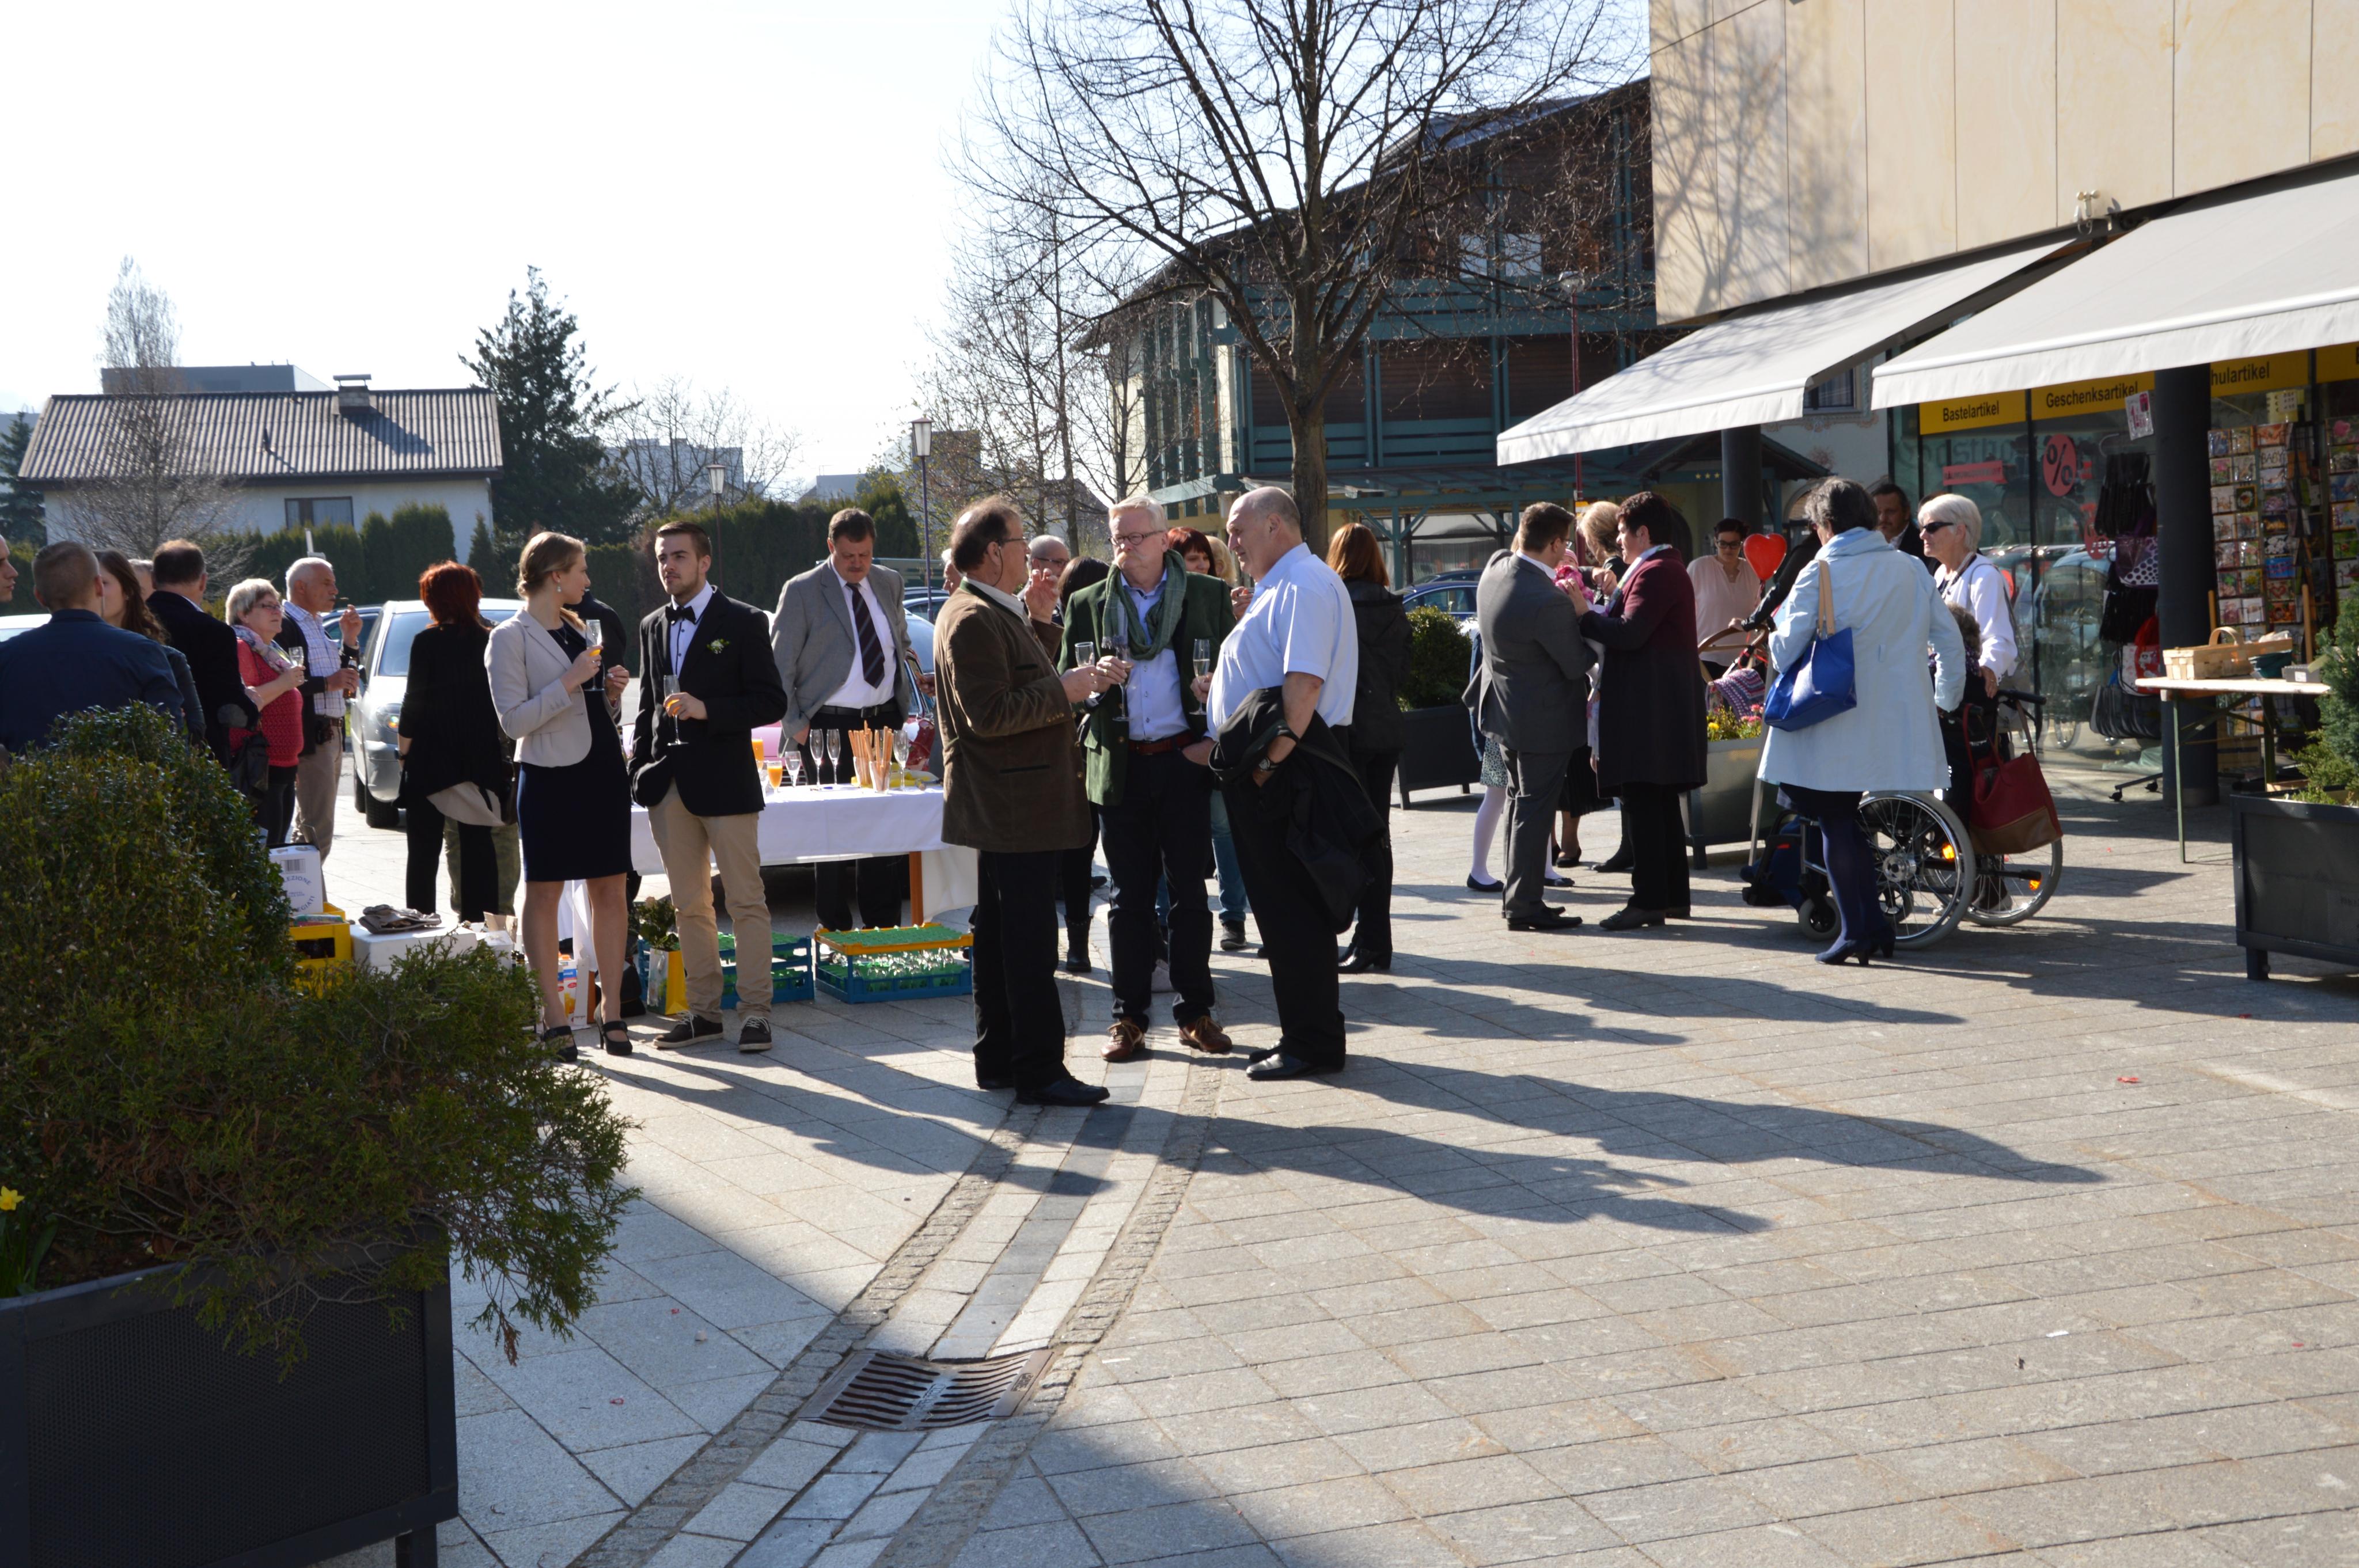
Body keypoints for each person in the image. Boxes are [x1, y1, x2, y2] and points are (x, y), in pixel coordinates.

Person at [935, 496, 1115, 1107]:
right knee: (1028, 943)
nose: (1031, 556)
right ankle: (1038, 1069)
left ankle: (1002, 1059)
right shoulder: (971, 616)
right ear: (994, 553)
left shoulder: (989, 609)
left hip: (1012, 803)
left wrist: (1039, 624)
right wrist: (1066, 689)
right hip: (1014, 806)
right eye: (1020, 544)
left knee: (1001, 935)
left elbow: (1013, 676)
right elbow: (990, 713)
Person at [1758, 479, 1966, 963]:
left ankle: (1857, 932)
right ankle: (1872, 927)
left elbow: (1785, 650)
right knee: (1848, 821)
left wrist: (1774, 629)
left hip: (1834, 718)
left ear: (1827, 525)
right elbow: (1950, 641)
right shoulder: (1911, 567)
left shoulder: (1820, 571)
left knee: (1835, 821)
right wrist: (1945, 700)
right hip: (1898, 719)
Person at [1062, 496, 1237, 1062]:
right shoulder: (1089, 602)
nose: (1126, 547)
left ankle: (1195, 1012)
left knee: (1190, 894)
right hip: (1123, 764)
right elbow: (1069, 687)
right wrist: (1092, 684)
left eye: (1137, 537)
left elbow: (1240, 680)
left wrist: (1213, 699)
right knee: (1128, 897)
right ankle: (1128, 1018)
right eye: (1118, 538)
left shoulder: (1206, 595)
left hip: (1183, 759)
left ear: (1164, 539)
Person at [1204, 486, 1359, 1081]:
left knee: (1292, 910)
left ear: (1275, 525)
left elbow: (1304, 686)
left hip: (1290, 767)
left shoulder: (1303, 584)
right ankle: (1306, 1031)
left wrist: (1267, 767)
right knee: (1283, 909)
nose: (1231, 542)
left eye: (1237, 529)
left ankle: (1311, 1042)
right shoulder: (1283, 583)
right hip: (1278, 763)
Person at [629, 521, 786, 1049]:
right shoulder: (652, 624)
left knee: (745, 901)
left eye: (678, 556)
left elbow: (771, 701)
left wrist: (708, 709)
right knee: (689, 905)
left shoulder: (742, 620)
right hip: (668, 785)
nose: (668, 566)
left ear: (704, 561)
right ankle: (703, 1014)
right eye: (661, 557)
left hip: (726, 781)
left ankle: (756, 1013)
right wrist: (639, 767)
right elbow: (648, 705)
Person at [490, 532, 638, 1059]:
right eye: (581, 570)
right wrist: (570, 682)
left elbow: (593, 708)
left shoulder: (579, 625)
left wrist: (610, 695)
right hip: (549, 774)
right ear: (556, 576)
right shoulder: (508, 637)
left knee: (611, 888)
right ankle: (553, 1014)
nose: (588, 580)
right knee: (545, 891)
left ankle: (612, 1009)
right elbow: (512, 721)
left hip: (602, 770)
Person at [772, 508, 925, 931]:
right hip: (825, 726)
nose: (858, 564)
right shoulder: (802, 591)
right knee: (831, 834)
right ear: (830, 547)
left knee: (881, 829)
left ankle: (882, 928)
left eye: (865, 555)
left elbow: (899, 640)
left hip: (882, 722)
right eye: (848, 556)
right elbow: (778, 667)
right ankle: (835, 929)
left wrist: (913, 674)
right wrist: (796, 725)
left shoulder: (889, 582)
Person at [1580, 492, 1708, 930]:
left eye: (1622, 532)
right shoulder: (1663, 567)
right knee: (1660, 802)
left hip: (1648, 710)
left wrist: (1584, 615)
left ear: (1644, 533)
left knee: (1644, 803)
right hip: (1656, 707)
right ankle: (1672, 897)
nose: (1618, 541)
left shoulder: (1656, 571)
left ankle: (1648, 900)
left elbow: (1630, 633)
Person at [1469, 504, 1594, 932]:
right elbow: (1577, 664)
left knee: (1520, 804)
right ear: (1556, 544)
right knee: (1534, 808)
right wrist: (1586, 614)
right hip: (1543, 722)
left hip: (1504, 713)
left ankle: (1518, 898)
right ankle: (1524, 905)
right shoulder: (1548, 600)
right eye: (1566, 543)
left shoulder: (1495, 569)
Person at [398, 563, 508, 926]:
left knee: (423, 852)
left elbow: (413, 703)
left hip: (430, 760)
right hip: (479, 758)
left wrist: (403, 752)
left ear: (433, 600)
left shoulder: (426, 642)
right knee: (480, 847)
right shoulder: (492, 640)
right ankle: (482, 927)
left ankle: (421, 926)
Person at [0, 542, 184, 754]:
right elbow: (171, 742)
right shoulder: (143, 653)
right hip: (124, 774)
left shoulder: (7, 657)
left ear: (39, 596)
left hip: (30, 774)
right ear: (98, 586)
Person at [1328, 522, 1411, 970]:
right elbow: (1403, 671)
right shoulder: (1393, 607)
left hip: (1349, 731)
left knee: (1356, 837)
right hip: (1386, 730)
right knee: (1378, 835)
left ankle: (1371, 937)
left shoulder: (1337, 604)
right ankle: (1375, 936)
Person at [1182, 531, 1255, 948]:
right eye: (1190, 558)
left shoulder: (1224, 600)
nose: (1199, 566)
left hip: (1216, 733)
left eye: (1204, 559)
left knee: (1224, 829)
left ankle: (1233, 917)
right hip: (1178, 735)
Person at [275, 557, 364, 861]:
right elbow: (284, 682)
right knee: (317, 831)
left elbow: (344, 679)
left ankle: (303, 886)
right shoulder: (285, 624)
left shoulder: (316, 624)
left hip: (332, 734)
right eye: (327, 583)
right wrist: (328, 683)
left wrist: (350, 641)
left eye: (334, 584)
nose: (335, 591)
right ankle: (304, 888)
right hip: (312, 736)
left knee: (312, 829)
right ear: (301, 587)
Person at [1054, 554, 1112, 971]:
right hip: (1078, 757)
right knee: (1080, 852)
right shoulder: (1054, 626)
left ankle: (1077, 946)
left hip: (1088, 756)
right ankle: (1077, 944)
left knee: (1080, 854)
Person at [147, 540, 254, 764]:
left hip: (143, 751)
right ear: (203, 581)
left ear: (154, 580)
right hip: (203, 753)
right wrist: (251, 708)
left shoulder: (132, 622)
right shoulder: (215, 632)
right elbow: (228, 704)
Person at [224, 579, 310, 845]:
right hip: (261, 771)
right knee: (266, 852)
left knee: (277, 849)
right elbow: (246, 704)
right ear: (243, 614)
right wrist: (284, 683)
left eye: (277, 606)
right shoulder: (241, 647)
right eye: (267, 606)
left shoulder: (270, 651)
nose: (277, 611)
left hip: (283, 768)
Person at [94, 549, 204, 747]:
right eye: (87, 584)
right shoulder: (70, 655)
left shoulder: (168, 658)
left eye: (104, 582)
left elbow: (196, 730)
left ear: (128, 590)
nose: (95, 591)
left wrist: (168, 724)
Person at [1921, 493, 2017, 700]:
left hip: (1971, 696)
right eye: (1923, 528)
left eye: (1932, 528)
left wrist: (1987, 669)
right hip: (1947, 687)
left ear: (1959, 532)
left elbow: (1999, 637)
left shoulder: (1985, 575)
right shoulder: (1940, 573)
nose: (1922, 535)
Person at [1691, 519, 1762, 670]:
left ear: (1742, 544)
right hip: (1706, 655)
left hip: (1745, 656)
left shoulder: (1752, 570)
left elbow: (1757, 610)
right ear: (1715, 542)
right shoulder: (1699, 567)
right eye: (1723, 544)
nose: (1728, 549)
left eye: (1734, 544)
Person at [1870, 480, 1929, 564]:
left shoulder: (1924, 544)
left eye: (1890, 512)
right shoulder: (1868, 545)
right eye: (1878, 512)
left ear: (1906, 512)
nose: (1883, 518)